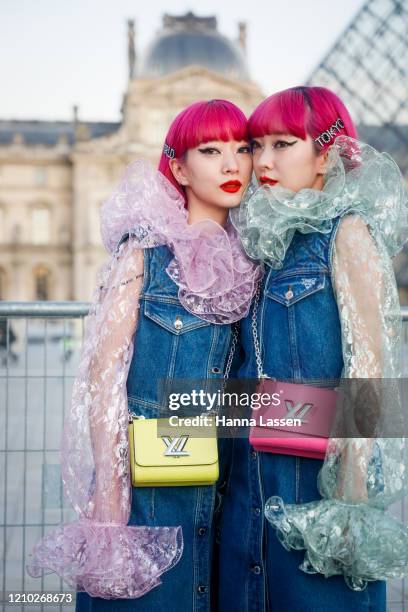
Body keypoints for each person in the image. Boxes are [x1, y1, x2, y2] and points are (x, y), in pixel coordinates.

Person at [26, 99, 262, 610]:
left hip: (233, 496)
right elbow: (102, 376)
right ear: (177, 167)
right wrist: (111, 505)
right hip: (150, 493)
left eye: (243, 148)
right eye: (210, 149)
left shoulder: (258, 262)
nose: (231, 164)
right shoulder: (143, 253)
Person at [217, 86, 408, 611]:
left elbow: (369, 366)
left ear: (326, 153)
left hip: (317, 479)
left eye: (283, 144)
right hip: (252, 476)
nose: (263, 162)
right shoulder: (262, 241)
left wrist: (348, 498)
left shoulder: (346, 232)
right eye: (257, 146)